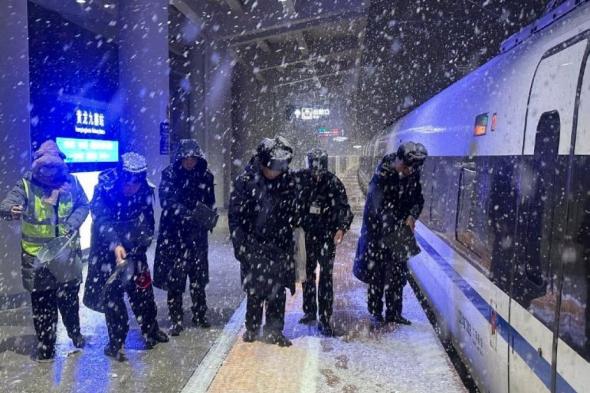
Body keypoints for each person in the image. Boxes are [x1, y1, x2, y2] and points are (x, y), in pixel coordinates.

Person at [0, 140, 88, 362]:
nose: (48, 173)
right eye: (44, 168)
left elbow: (83, 205)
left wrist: (71, 225)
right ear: (37, 167)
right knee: (42, 306)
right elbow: (5, 205)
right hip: (37, 259)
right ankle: (46, 347)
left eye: (53, 168)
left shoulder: (72, 183)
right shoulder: (26, 185)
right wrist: (11, 210)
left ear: (60, 167)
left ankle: (75, 333)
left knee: (69, 302)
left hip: (66, 257)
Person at [83, 152, 168, 361]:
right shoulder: (105, 187)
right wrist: (115, 244)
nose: (131, 188)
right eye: (128, 183)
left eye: (136, 184)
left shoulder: (145, 189)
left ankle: (151, 330)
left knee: (143, 292)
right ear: (121, 176)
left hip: (134, 248)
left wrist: (141, 244)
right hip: (106, 251)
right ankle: (116, 341)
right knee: (112, 297)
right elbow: (101, 219)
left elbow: (148, 220)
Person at [228, 136, 302, 347]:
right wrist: (239, 245)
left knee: (277, 291)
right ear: (262, 162)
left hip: (280, 245)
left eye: (281, 167)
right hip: (254, 243)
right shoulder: (245, 181)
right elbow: (235, 217)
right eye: (273, 167)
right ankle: (252, 328)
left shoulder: (289, 181)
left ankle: (274, 330)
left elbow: (295, 212)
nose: (276, 172)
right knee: (255, 290)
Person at [353, 142, 427, 326]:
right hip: (377, 234)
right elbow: (377, 208)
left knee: (397, 275)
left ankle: (394, 313)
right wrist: (394, 224)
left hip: (399, 232)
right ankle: (376, 312)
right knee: (376, 276)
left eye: (413, 168)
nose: (410, 171)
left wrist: (412, 215)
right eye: (407, 167)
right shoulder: (381, 176)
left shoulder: (412, 174)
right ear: (398, 161)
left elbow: (419, 198)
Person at [154, 139, 216, 336]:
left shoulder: (205, 176)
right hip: (174, 234)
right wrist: (186, 213)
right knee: (176, 278)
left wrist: (209, 217)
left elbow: (210, 201)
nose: (190, 162)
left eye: (193, 159)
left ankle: (200, 313)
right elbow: (167, 201)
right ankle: (176, 317)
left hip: (197, 234)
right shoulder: (169, 175)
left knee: (198, 276)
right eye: (186, 158)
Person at [297, 148, 353, 336]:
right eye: (314, 172)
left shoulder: (334, 183)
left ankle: (325, 317)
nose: (316, 176)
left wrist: (341, 228)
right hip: (307, 235)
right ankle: (310, 310)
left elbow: (345, 209)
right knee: (308, 275)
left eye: (319, 172)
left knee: (326, 277)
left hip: (326, 236)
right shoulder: (301, 180)